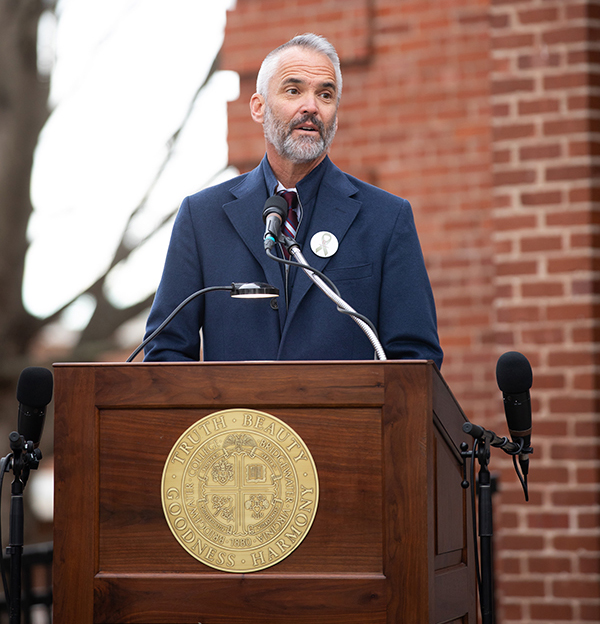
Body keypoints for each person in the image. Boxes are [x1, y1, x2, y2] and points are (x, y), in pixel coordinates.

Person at [143, 33, 443, 367]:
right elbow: (165, 355)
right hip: (239, 420)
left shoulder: (386, 218)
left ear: (335, 114)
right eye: (293, 90)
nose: (311, 106)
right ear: (259, 107)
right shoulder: (201, 218)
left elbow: (416, 360)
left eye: (325, 95)